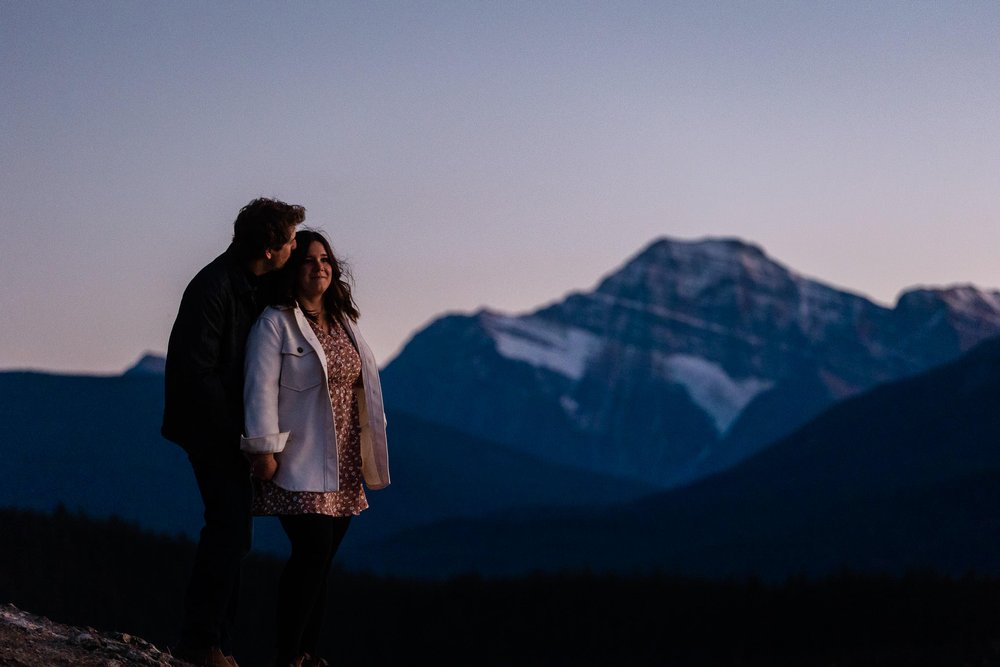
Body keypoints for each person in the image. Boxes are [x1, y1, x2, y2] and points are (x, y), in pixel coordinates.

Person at [162, 197, 306, 667]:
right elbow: (197, 374)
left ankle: (216, 643)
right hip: (210, 430)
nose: (295, 249)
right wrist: (244, 443)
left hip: (233, 430)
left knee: (233, 529)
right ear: (269, 250)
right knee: (228, 528)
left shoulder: (257, 281)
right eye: (289, 242)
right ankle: (200, 642)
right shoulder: (212, 288)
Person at [241, 229, 390, 667]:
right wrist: (262, 450)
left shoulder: (345, 322)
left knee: (321, 562)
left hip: (342, 460)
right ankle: (287, 655)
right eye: (308, 259)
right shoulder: (274, 322)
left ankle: (306, 654)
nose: (319, 265)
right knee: (311, 554)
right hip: (298, 459)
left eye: (325, 259)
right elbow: (258, 388)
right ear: (292, 270)